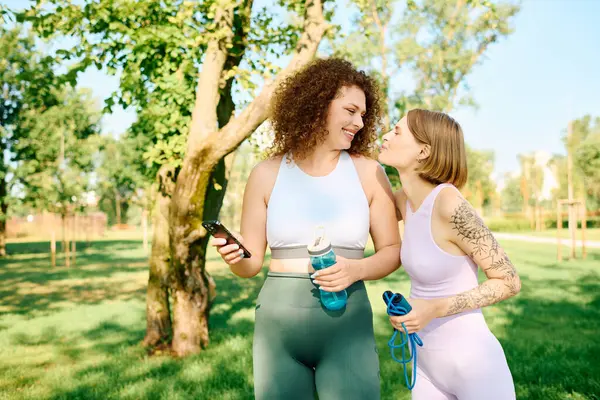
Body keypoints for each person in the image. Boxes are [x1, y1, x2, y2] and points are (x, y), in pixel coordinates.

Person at [210, 58, 401, 399]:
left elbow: (392, 251)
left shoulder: (369, 173)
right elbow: (250, 266)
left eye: (363, 115)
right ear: (318, 103)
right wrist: (233, 255)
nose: (359, 122)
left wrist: (356, 269)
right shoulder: (266, 173)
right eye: (350, 110)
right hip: (278, 329)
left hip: (347, 322)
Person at [378, 108, 521, 400]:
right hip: (425, 365)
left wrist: (433, 308)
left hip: (474, 366)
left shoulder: (449, 204)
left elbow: (509, 281)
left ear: (423, 151)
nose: (386, 136)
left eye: (397, 131)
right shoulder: (403, 201)